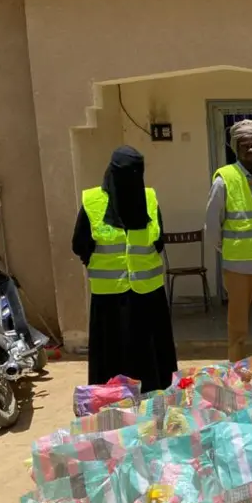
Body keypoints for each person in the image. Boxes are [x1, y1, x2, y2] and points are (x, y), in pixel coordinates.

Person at [72, 146, 178, 392]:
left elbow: (158, 238)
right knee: (114, 360)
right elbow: (80, 243)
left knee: (151, 358)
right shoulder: (93, 202)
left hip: (148, 296)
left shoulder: (149, 199)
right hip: (111, 301)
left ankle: (153, 404)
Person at [205, 119, 252, 362]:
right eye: (244, 146)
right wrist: (226, 248)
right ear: (235, 149)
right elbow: (212, 223)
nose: (250, 149)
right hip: (238, 266)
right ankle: (236, 370)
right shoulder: (224, 179)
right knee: (237, 327)